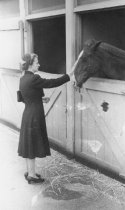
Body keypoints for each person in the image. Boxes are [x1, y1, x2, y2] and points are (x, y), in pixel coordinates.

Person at [17, 53, 73, 184]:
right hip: (35, 116)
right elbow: (52, 83)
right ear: (30, 64)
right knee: (31, 144)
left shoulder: (23, 78)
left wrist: (40, 99)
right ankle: (31, 175)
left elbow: (22, 97)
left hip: (28, 114)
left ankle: (29, 172)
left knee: (28, 144)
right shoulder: (34, 78)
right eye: (37, 62)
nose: (39, 64)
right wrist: (68, 76)